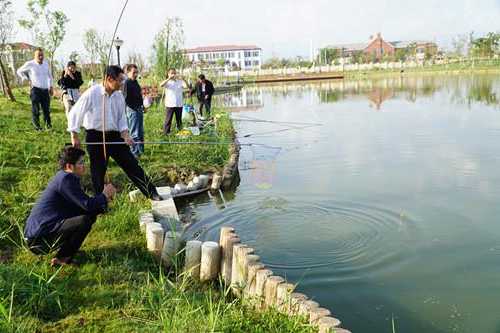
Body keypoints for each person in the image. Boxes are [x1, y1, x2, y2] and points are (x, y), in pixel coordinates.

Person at [67, 65, 162, 201]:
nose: (122, 83)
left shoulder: (118, 96)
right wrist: (74, 135)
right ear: (109, 79)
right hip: (96, 137)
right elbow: (75, 113)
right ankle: (100, 203)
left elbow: (122, 120)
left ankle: (151, 193)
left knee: (132, 165)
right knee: (98, 172)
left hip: (114, 136)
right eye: (119, 80)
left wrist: (125, 135)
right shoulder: (92, 93)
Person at [24, 146, 116, 266]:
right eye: (81, 163)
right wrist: (104, 195)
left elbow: (85, 205)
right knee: (84, 220)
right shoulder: (66, 179)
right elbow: (87, 205)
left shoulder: (64, 176)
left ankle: (65, 252)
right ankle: (62, 258)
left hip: (42, 233)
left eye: (84, 162)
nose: (84, 165)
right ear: (69, 166)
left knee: (90, 214)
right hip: (39, 240)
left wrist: (103, 202)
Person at [16, 48, 53, 130]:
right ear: (35, 56)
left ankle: (48, 125)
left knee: (46, 109)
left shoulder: (46, 64)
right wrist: (26, 78)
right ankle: (37, 127)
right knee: (36, 109)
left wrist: (51, 86)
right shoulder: (30, 64)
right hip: (35, 90)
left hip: (45, 90)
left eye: (42, 55)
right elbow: (19, 71)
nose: (40, 57)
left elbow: (50, 76)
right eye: (38, 55)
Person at [123, 64, 145, 158]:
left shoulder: (135, 82)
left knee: (140, 131)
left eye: (136, 72)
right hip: (132, 110)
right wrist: (134, 108)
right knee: (134, 132)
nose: (135, 74)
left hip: (139, 109)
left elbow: (139, 96)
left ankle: (140, 150)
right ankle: (134, 152)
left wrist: (142, 105)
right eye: (133, 72)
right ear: (128, 72)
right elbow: (126, 99)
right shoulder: (126, 83)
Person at [160, 68, 189, 135]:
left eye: (174, 73)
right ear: (168, 74)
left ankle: (180, 132)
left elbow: (186, 86)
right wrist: (168, 78)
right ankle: (166, 133)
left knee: (179, 120)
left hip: (179, 104)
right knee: (168, 120)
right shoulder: (167, 82)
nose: (173, 74)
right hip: (170, 104)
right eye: (172, 73)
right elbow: (161, 85)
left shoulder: (180, 81)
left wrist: (184, 79)